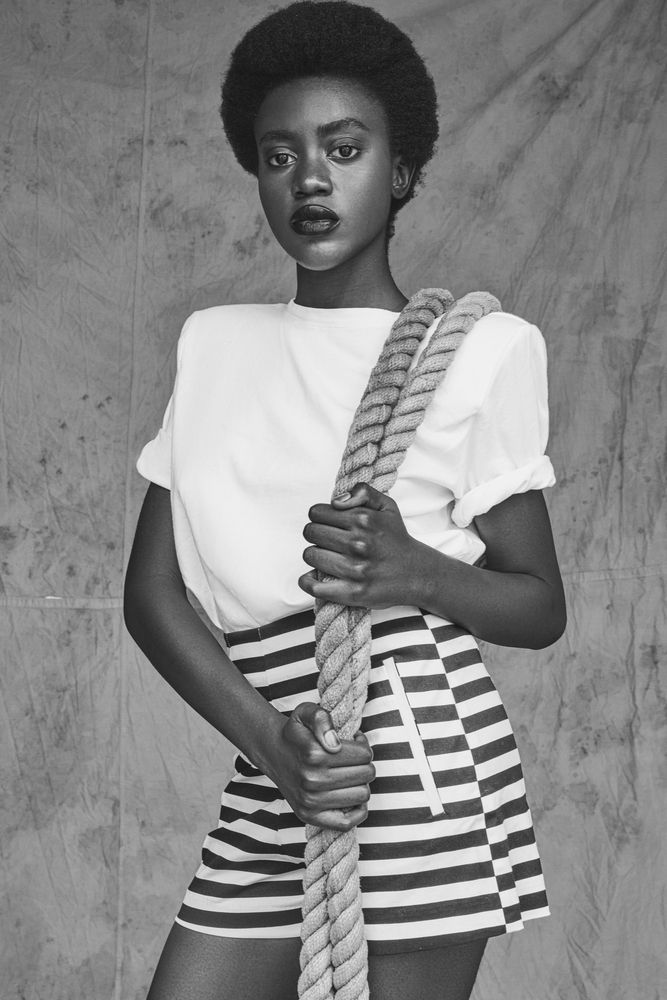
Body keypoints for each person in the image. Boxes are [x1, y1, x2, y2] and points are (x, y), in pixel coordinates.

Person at [124, 3, 566, 999]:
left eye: (344, 148)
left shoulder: (481, 353)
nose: (310, 179)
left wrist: (414, 571)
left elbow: (540, 605)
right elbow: (149, 594)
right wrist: (268, 744)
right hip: (275, 755)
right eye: (279, 156)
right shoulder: (212, 345)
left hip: (412, 761)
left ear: (399, 172)